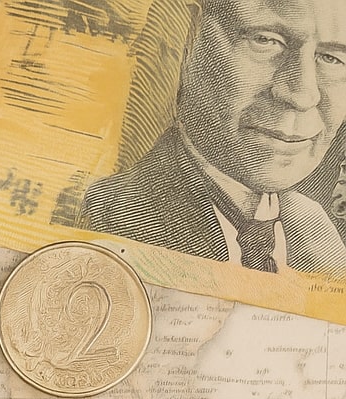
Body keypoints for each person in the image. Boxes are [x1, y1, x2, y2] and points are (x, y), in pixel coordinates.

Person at [81, 0, 346, 275]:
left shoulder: (317, 238)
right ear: (188, 42)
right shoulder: (107, 214)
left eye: (332, 59)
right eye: (266, 40)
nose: (302, 94)